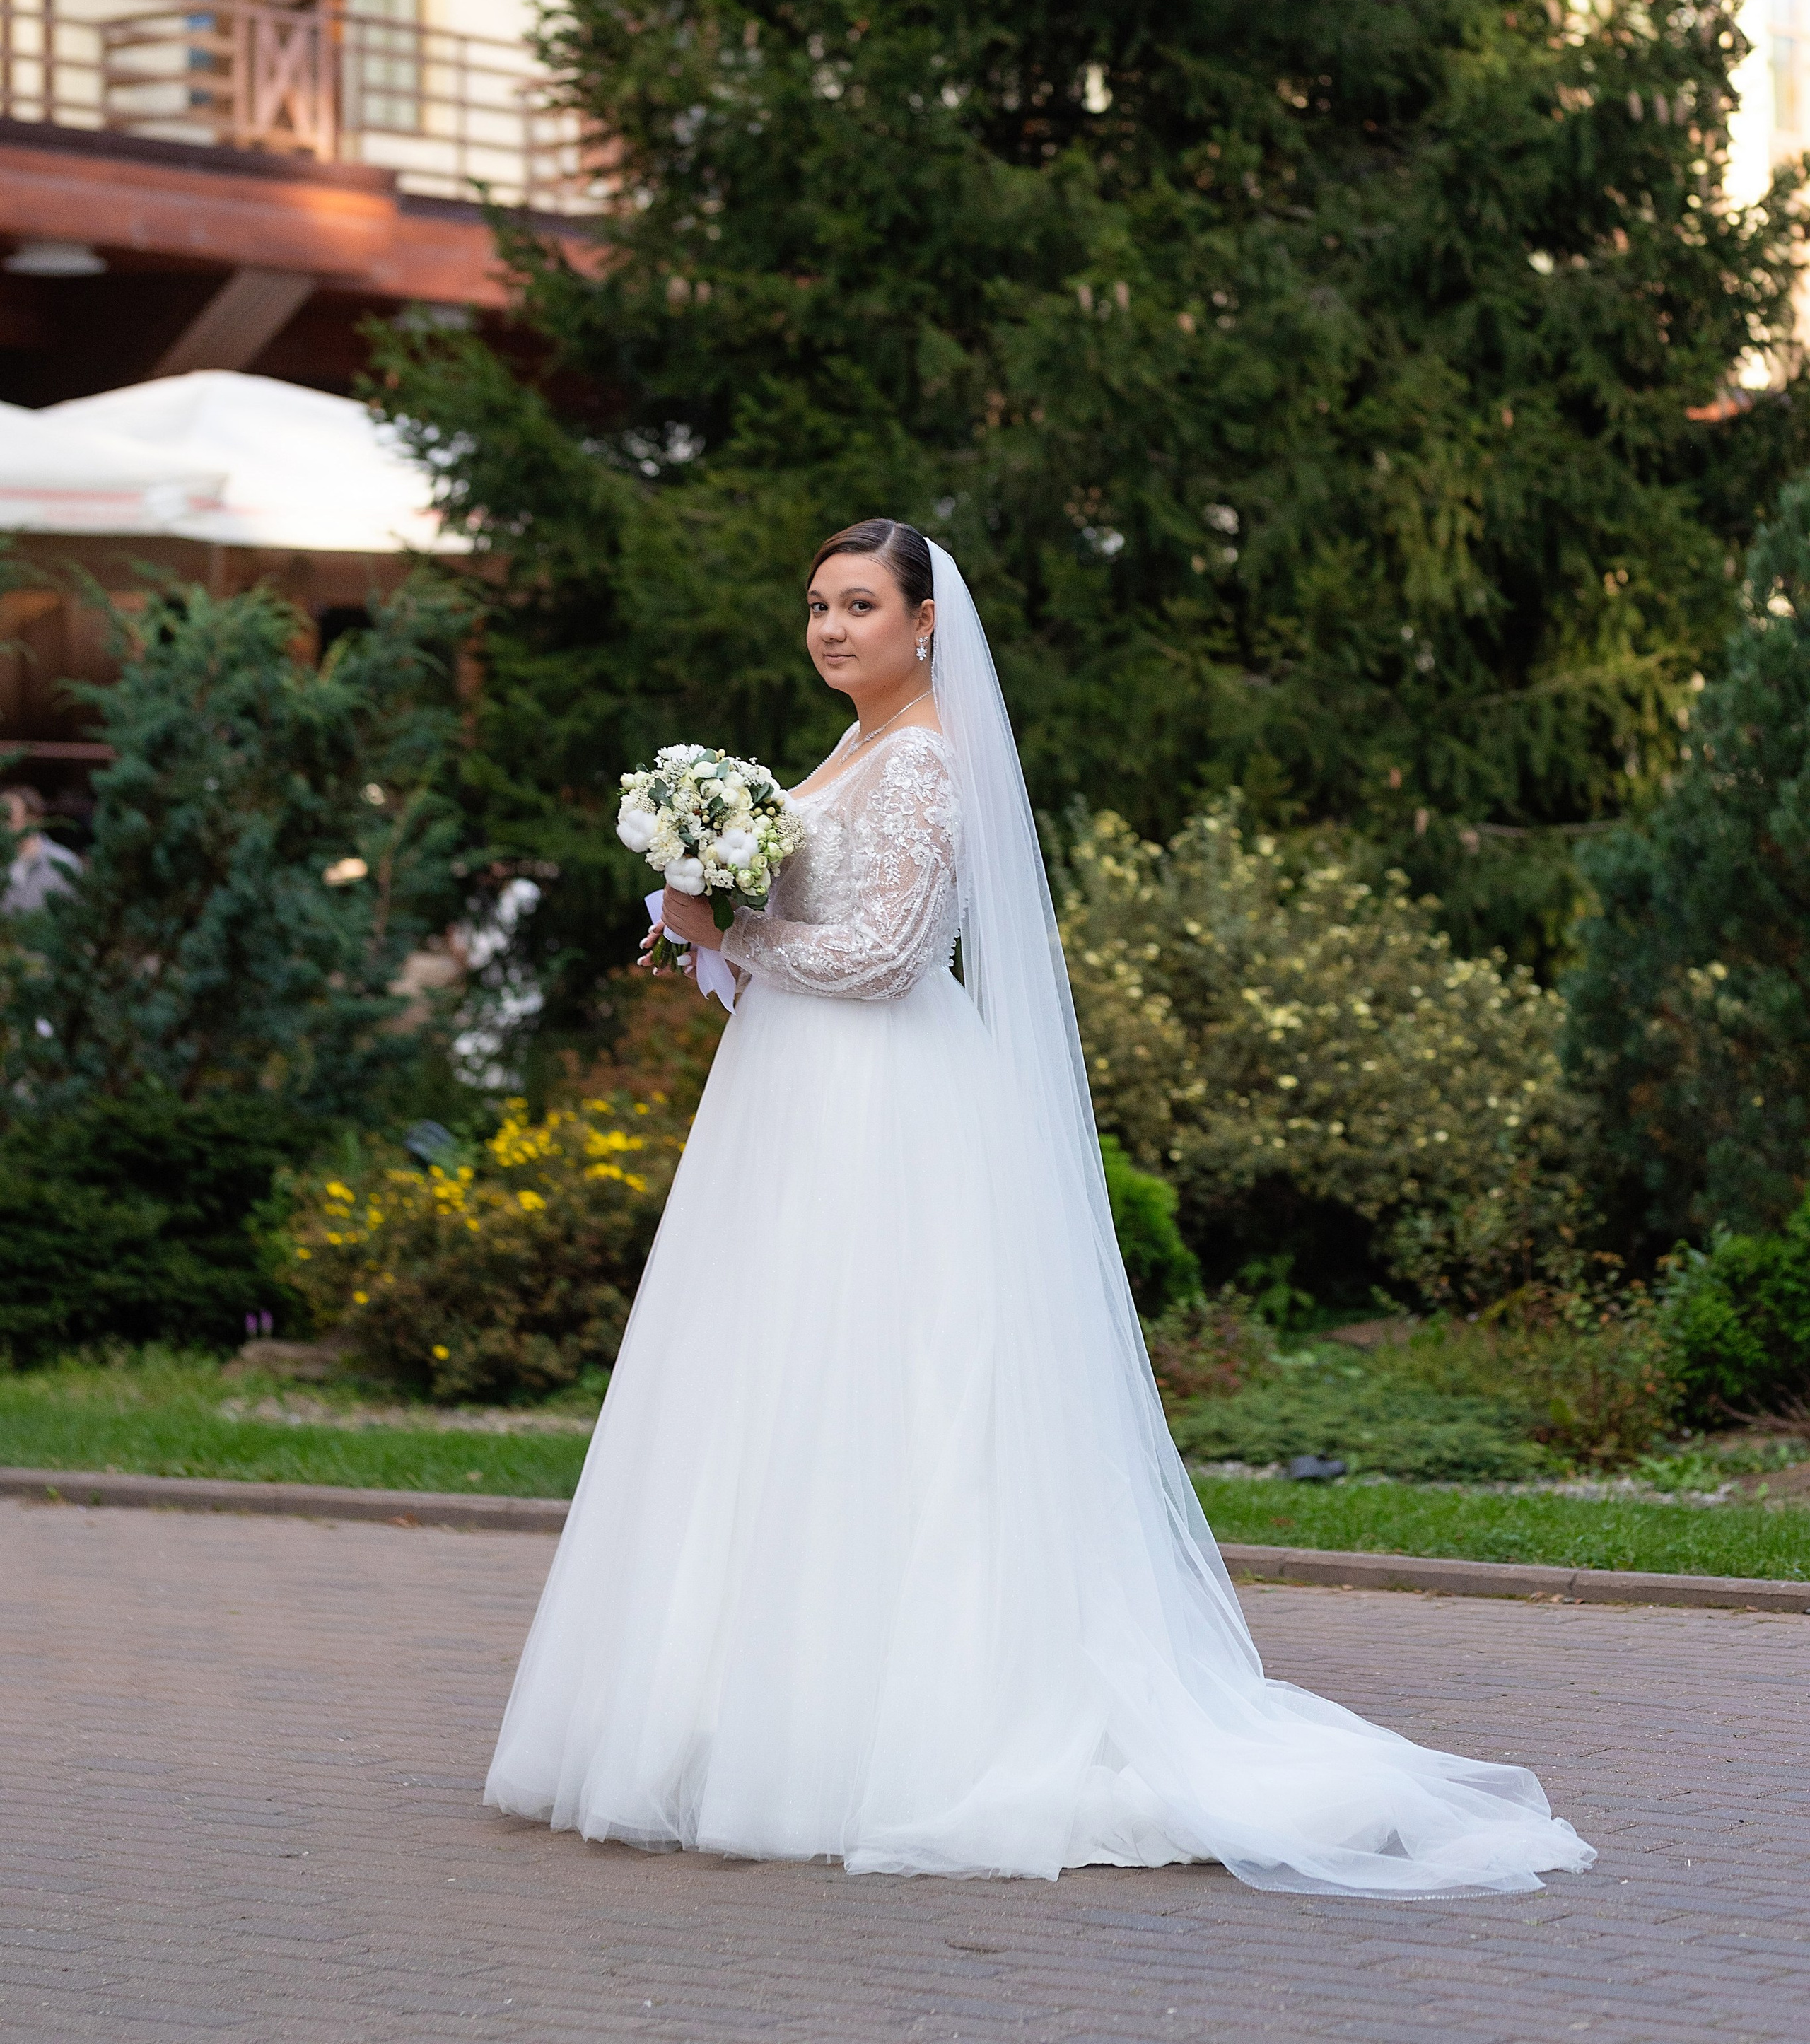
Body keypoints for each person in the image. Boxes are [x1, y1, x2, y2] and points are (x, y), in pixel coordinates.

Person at [485, 520, 1594, 1895]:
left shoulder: (930, 758)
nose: (832, 629)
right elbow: (813, 927)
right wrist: (701, 911)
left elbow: (889, 955)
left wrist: (734, 934)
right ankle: (738, 1708)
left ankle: (881, 1727)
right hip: (794, 1097)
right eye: (818, 606)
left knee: (892, 1389)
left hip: (880, 1104)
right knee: (770, 1383)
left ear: (922, 622)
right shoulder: (841, 747)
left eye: (859, 606)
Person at [2, 786, 79, 918]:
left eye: (9, 819)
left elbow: (75, 918)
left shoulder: (63, 863)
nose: (2, 826)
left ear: (34, 820)